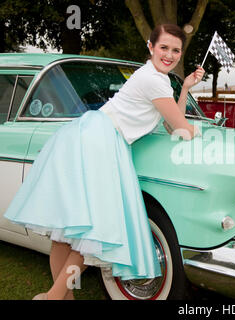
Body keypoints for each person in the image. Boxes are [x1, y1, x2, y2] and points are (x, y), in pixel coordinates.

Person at [4, 23, 205, 300]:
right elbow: (182, 129)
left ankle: (60, 296)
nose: (169, 55)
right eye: (164, 48)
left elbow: (173, 125)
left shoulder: (154, 77)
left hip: (85, 134)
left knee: (68, 228)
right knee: (96, 229)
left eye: (176, 50)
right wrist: (201, 133)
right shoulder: (154, 80)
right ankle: (52, 297)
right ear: (150, 47)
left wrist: (185, 89)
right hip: (102, 141)